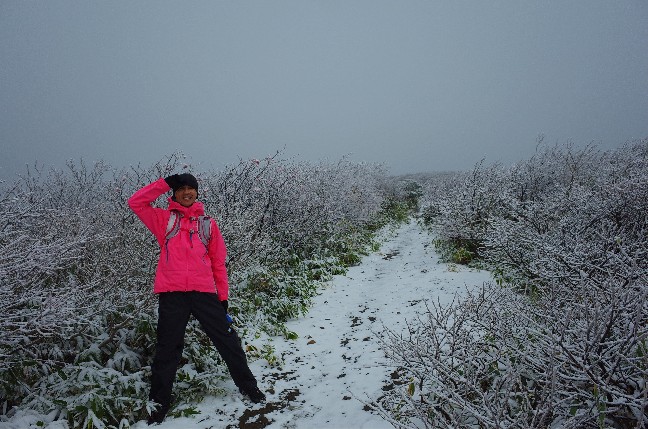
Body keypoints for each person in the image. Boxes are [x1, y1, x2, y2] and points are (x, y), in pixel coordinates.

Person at [128, 173, 265, 425]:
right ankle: (158, 405)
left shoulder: (208, 224)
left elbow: (218, 263)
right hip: (172, 294)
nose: (187, 192)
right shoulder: (164, 220)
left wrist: (222, 297)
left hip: (204, 293)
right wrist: (165, 183)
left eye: (191, 189)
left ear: (197, 193)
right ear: (175, 193)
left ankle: (249, 387)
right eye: (181, 189)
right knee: (167, 349)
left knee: (228, 340)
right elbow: (136, 203)